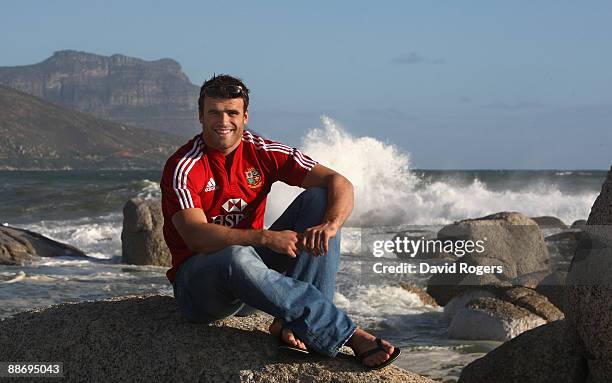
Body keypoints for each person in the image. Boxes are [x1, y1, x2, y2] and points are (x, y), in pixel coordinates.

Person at [160, 74, 400, 369]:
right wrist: (264, 237)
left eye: (232, 113)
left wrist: (331, 226)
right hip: (201, 290)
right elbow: (196, 236)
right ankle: (345, 333)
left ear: (245, 117)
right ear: (201, 116)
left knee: (320, 199)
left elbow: (339, 182)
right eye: (214, 113)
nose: (224, 121)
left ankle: (296, 327)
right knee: (236, 255)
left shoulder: (261, 151)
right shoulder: (184, 165)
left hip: (252, 284)